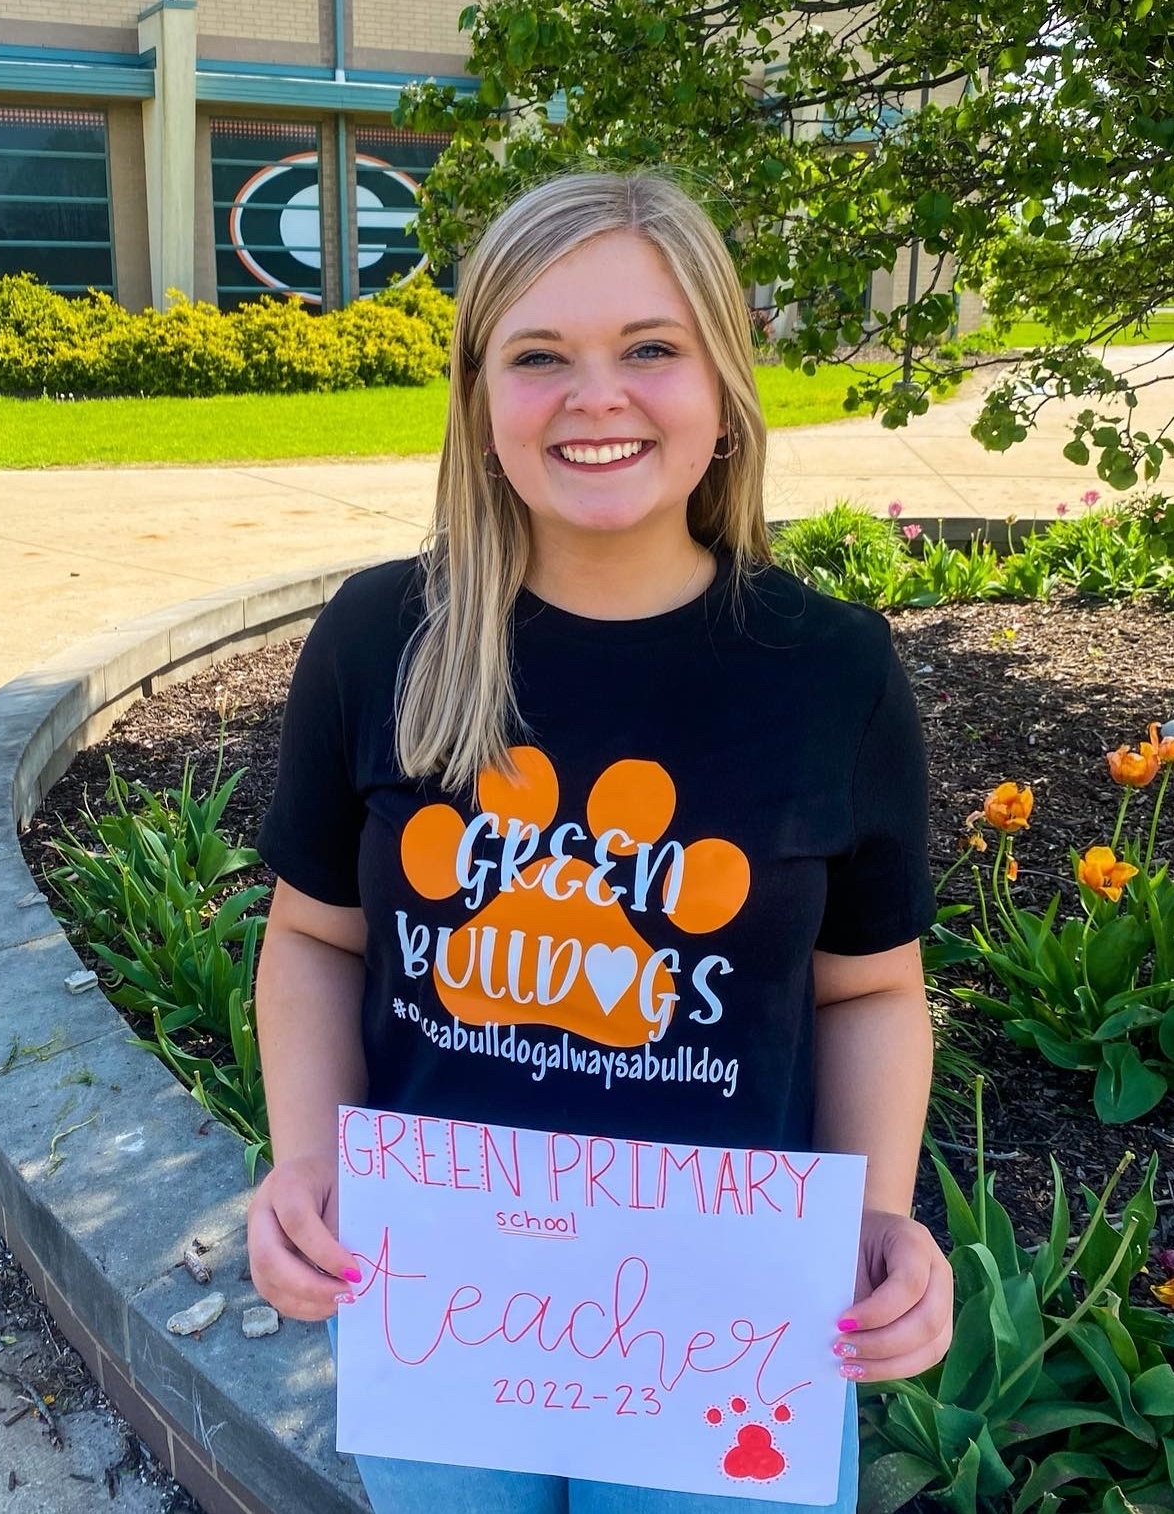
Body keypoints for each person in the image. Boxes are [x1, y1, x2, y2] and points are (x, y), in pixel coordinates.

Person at [248, 168, 953, 1514]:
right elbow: (312, 938)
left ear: (723, 386)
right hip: (437, 1297)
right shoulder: (381, 639)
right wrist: (306, 1161)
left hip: (731, 1320)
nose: (596, 395)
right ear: (476, 398)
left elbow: (868, 985)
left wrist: (880, 1218)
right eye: (538, 355)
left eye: (648, 348)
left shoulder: (826, 670)